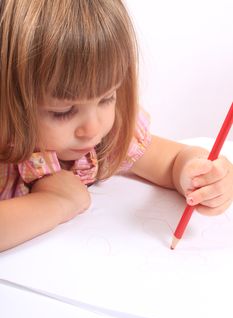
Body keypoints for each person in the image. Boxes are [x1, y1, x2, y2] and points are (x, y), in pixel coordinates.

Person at [0, 0, 232, 252]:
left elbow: (174, 159)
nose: (92, 129)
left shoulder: (108, 138)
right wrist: (57, 201)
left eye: (107, 98)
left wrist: (200, 174)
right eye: (63, 111)